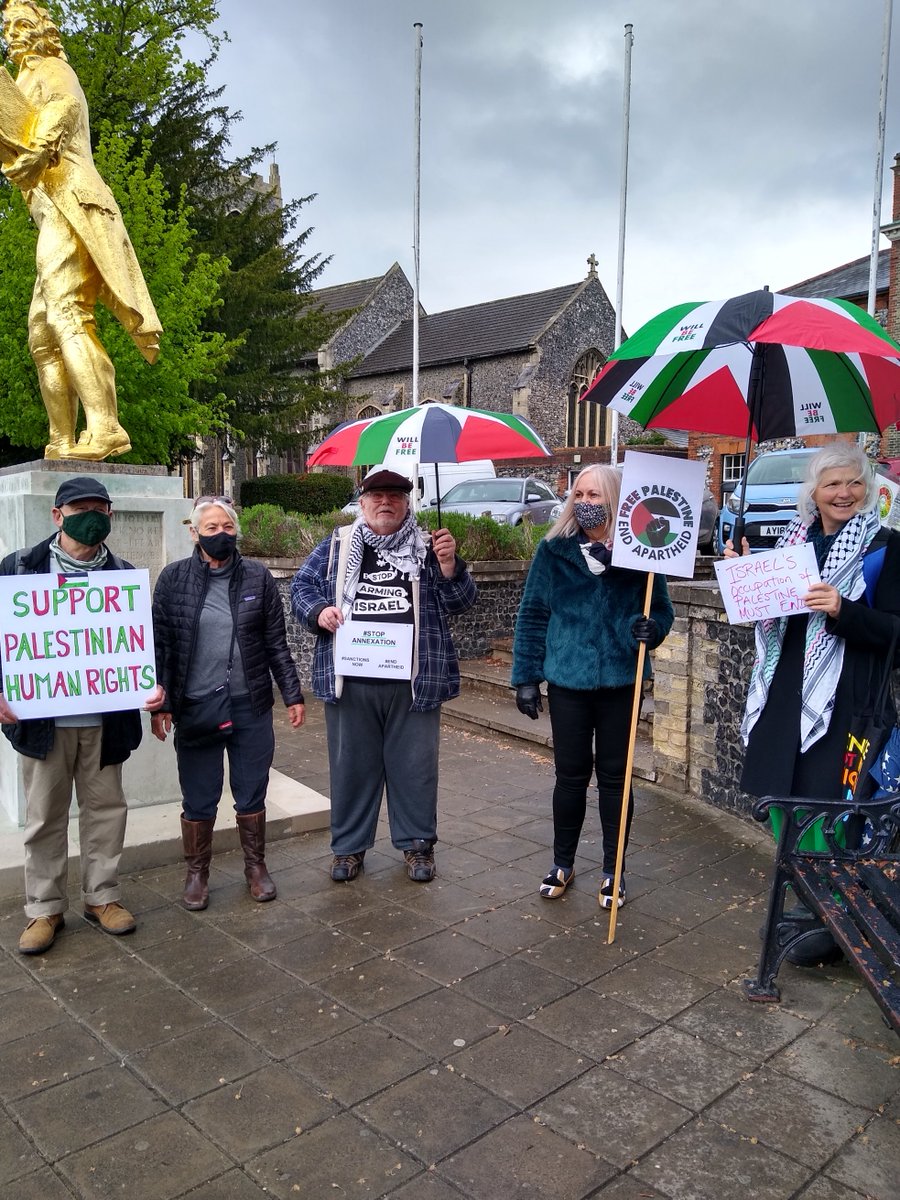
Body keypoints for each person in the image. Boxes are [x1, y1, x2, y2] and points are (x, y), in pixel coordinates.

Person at [726, 441, 900, 963]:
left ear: (867, 489)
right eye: (832, 484)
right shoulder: (790, 545)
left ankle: (834, 918)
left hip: (846, 700)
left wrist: (845, 610)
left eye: (854, 483)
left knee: (829, 809)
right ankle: (805, 903)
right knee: (779, 795)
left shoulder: (886, 549)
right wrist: (743, 575)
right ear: (814, 494)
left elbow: (896, 634)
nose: (844, 493)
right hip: (784, 693)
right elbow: (768, 615)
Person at [0, 475, 165, 954]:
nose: (91, 517)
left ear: (110, 517)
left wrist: (152, 688)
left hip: (104, 723)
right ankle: (44, 909)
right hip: (40, 723)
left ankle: (102, 896)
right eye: (79, 509)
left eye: (100, 509)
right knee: (44, 818)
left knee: (106, 813)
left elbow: (140, 646)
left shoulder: (124, 575)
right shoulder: (18, 569)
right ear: (57, 515)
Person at [291, 468, 477, 883]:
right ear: (362, 503)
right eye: (376, 496)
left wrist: (449, 566)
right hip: (351, 680)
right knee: (351, 768)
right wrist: (319, 611)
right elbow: (301, 587)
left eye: (395, 496)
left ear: (408, 504)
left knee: (414, 767)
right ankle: (348, 850)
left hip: (413, 679)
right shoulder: (338, 544)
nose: (385, 503)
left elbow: (461, 602)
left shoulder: (429, 546)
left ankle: (417, 846)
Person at [0, 2, 162, 461]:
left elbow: (65, 105)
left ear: (43, 32)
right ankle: (63, 441)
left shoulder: (50, 68)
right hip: (52, 215)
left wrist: (42, 147)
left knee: (68, 315)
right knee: (42, 335)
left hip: (75, 204)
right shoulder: (16, 83)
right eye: (8, 26)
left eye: (22, 25)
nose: (13, 33)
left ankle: (106, 428)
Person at [511, 464, 674, 908]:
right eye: (579, 493)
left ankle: (613, 869)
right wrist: (525, 676)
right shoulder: (554, 551)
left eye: (596, 495)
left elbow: (661, 611)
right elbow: (532, 615)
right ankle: (562, 862)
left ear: (615, 500)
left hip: (622, 679)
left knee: (616, 780)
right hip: (568, 680)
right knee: (570, 776)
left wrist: (650, 629)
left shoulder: (643, 552)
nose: (585, 502)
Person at [151, 497, 305, 910]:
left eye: (227, 527)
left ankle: (256, 867)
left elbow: (276, 642)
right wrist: (160, 702)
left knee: (251, 790)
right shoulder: (173, 580)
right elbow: (161, 645)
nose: (221, 534)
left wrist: (291, 694)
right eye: (212, 527)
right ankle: (197, 873)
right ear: (195, 532)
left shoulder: (258, 577)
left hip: (249, 703)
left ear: (237, 530)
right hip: (196, 706)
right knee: (199, 795)